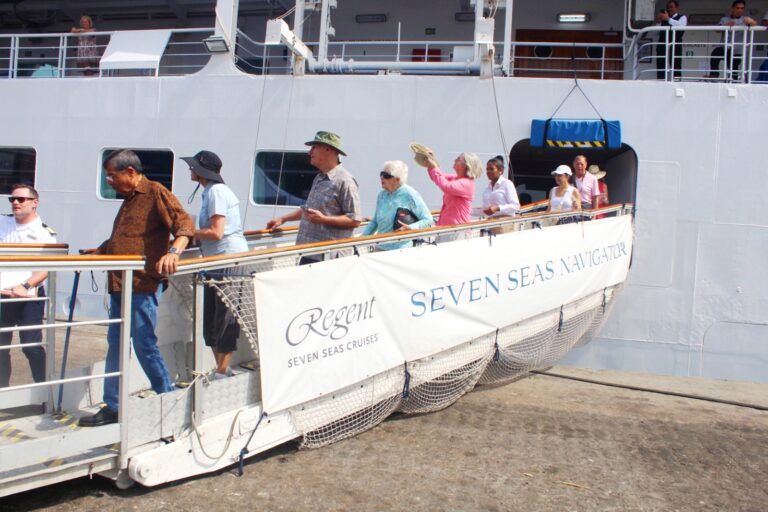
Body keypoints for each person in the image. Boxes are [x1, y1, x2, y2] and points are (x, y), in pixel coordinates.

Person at [79, 149, 194, 427]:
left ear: (130, 172)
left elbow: (185, 226)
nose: (110, 181)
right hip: (119, 283)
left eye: (112, 176)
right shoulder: (129, 200)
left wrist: (173, 253)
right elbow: (124, 237)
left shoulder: (155, 192)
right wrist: (100, 252)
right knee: (116, 344)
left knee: (144, 343)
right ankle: (114, 405)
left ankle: (166, 396)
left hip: (142, 284)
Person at [182, 150, 248, 380]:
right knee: (211, 317)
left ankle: (222, 371)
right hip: (215, 260)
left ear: (201, 170)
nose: (190, 170)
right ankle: (221, 368)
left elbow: (217, 232)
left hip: (228, 259)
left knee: (225, 315)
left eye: (192, 167)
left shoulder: (217, 192)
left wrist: (189, 232)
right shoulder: (210, 191)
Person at [266, 131, 362, 265]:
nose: (309, 152)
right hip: (310, 253)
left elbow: (355, 220)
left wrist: (324, 219)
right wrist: (282, 219)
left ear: (327, 149)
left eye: (314, 148)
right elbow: (309, 209)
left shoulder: (345, 181)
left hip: (329, 258)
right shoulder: (320, 177)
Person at [0, 185, 56, 388]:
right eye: (12, 199)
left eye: (21, 199)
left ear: (35, 202)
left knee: (31, 346)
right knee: (0, 348)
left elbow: (47, 268)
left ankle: (44, 392)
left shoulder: (44, 234)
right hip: (3, 295)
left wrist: (25, 285)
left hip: (28, 297)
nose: (15, 203)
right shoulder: (2, 223)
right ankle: (3, 394)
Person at [362, 160, 434, 250]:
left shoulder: (410, 194)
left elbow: (428, 219)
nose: (382, 177)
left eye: (386, 175)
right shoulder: (382, 195)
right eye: (381, 174)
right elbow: (375, 222)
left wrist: (411, 228)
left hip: (400, 250)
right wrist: (360, 239)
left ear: (397, 179)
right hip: (380, 247)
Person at [424, 152, 482, 226]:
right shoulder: (457, 179)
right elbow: (437, 177)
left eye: (458, 159)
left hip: (456, 230)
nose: (455, 160)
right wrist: (431, 164)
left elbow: (445, 186)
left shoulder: (467, 183)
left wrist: (434, 167)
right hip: (447, 227)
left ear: (465, 165)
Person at [708, 1, 757, 80]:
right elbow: (717, 30)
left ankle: (733, 79)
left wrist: (750, 22)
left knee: (733, 66)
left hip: (737, 49)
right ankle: (714, 75)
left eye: (742, 8)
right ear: (732, 8)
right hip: (724, 47)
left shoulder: (745, 20)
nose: (740, 10)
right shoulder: (725, 19)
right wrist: (726, 25)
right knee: (714, 54)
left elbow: (754, 24)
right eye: (737, 8)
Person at [655, 1, 687, 80]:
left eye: (671, 7)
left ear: (677, 8)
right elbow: (655, 32)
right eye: (668, 7)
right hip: (662, 44)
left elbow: (681, 26)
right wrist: (659, 21)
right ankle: (661, 81)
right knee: (660, 64)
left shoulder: (682, 17)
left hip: (675, 44)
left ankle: (676, 81)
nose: (669, 9)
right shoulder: (663, 20)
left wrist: (668, 19)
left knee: (676, 63)